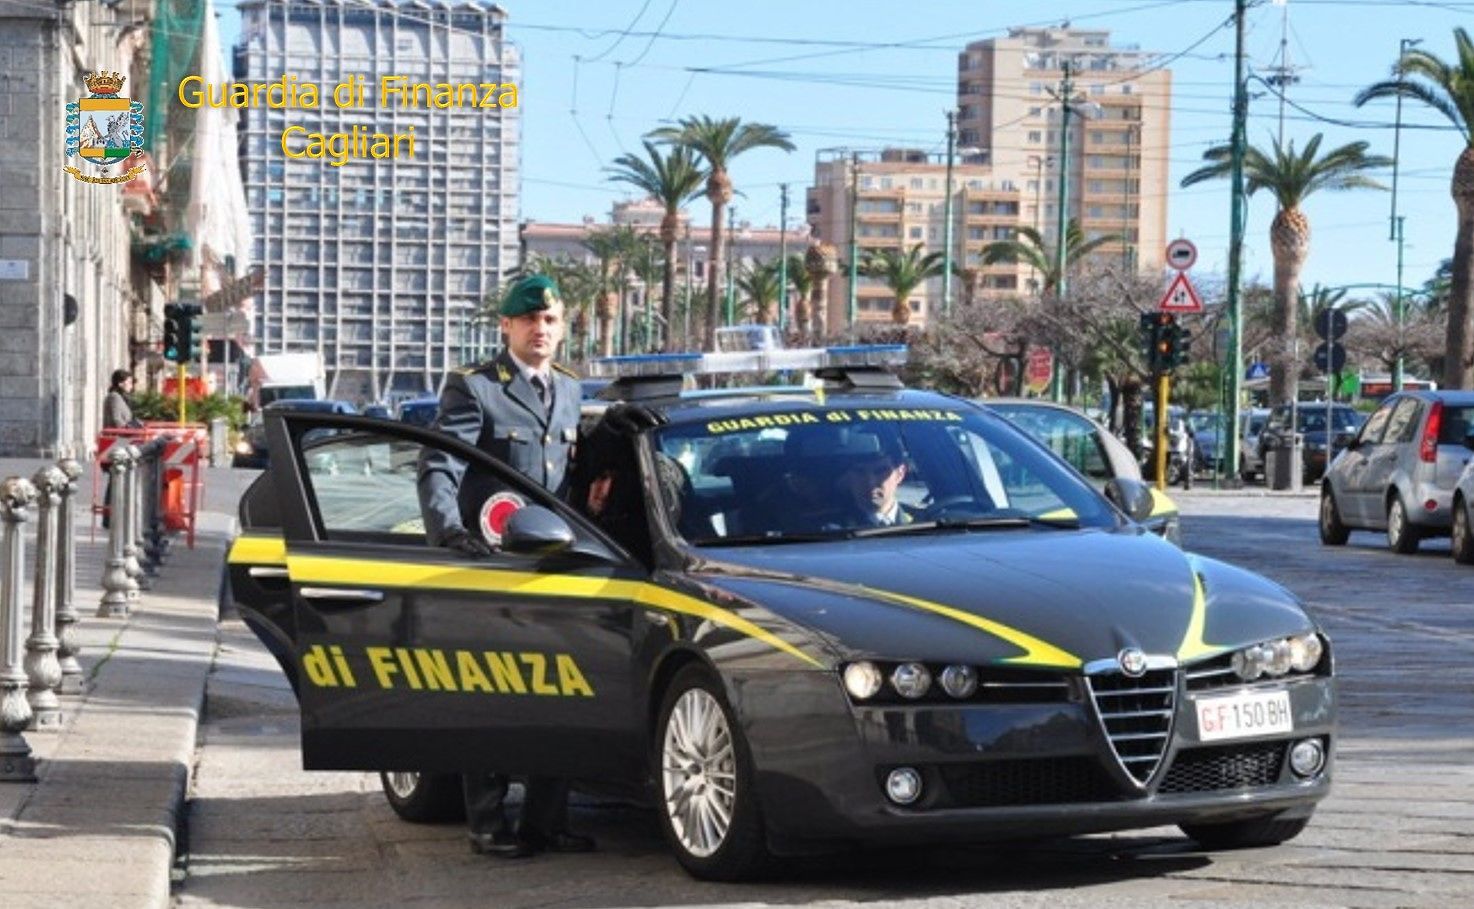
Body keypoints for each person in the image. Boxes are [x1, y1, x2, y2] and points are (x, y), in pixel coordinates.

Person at [415, 274, 592, 859]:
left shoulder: (570, 388)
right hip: (493, 565)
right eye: (530, 320)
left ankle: (548, 821)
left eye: (550, 320)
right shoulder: (476, 388)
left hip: (555, 566)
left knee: (562, 694)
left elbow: (573, 477)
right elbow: (440, 466)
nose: (541, 329)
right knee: (492, 692)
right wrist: (450, 533)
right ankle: (488, 821)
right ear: (507, 327)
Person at [836, 435, 912, 526]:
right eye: (860, 472)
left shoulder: (924, 522)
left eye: (880, 471)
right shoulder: (827, 529)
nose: (870, 482)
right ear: (848, 478)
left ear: (900, 474)